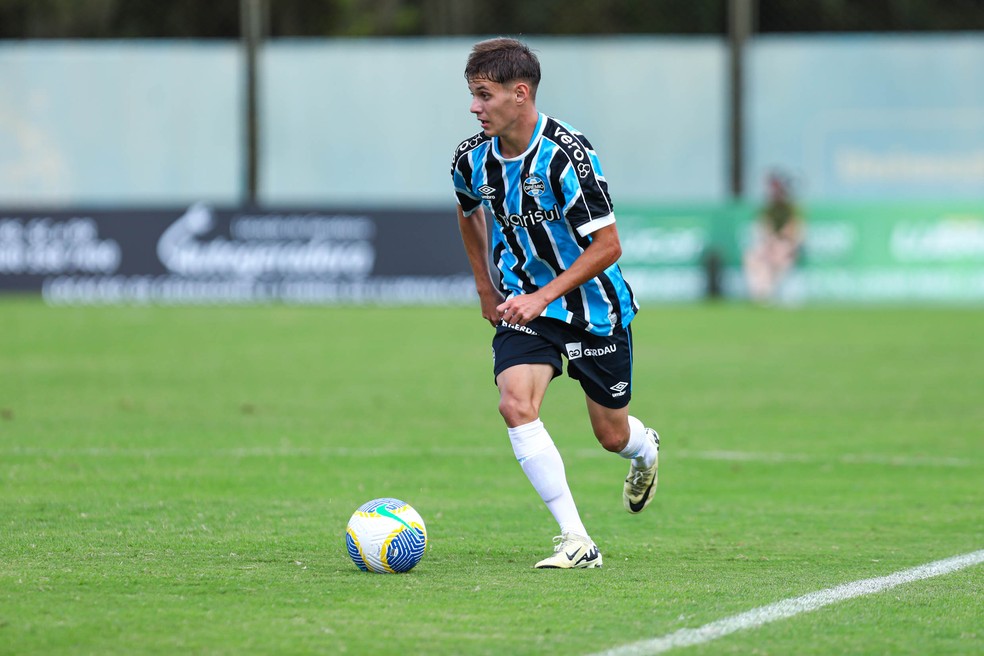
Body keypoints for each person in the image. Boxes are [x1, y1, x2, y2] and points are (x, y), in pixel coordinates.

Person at [450, 37, 660, 569]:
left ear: (520, 94)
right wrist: (485, 288)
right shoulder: (471, 159)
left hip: (595, 311)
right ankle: (576, 539)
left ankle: (645, 449)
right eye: (472, 96)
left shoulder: (567, 157)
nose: (474, 107)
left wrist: (545, 293)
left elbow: (609, 246)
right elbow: (468, 211)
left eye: (483, 95)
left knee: (611, 435)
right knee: (515, 404)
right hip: (526, 307)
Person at [743, 172, 805, 304]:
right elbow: (763, 231)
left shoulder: (790, 210)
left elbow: (795, 234)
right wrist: (769, 244)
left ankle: (776, 294)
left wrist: (785, 245)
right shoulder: (767, 209)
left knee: (780, 254)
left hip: (785, 249)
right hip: (769, 248)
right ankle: (761, 294)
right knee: (753, 257)